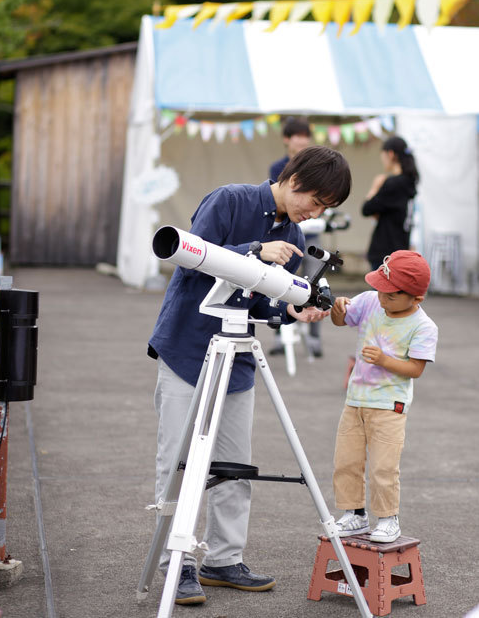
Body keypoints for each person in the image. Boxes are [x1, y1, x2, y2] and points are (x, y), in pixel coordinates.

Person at [148, 146, 351, 605]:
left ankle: (224, 559)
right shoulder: (230, 200)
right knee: (176, 464)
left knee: (234, 466)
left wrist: (290, 310)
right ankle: (174, 566)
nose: (315, 212)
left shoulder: (295, 235)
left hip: (237, 356)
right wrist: (254, 250)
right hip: (187, 346)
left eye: (324, 209)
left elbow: (260, 302)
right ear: (295, 179)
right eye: (316, 201)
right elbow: (191, 259)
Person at [330, 250, 438, 543]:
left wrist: (383, 359)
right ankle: (355, 514)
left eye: (391, 295)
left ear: (416, 298)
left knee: (383, 466)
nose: (382, 298)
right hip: (355, 400)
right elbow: (341, 321)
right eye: (380, 289)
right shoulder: (369, 301)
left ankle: (388, 519)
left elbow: (415, 369)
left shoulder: (423, 326)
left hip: (390, 406)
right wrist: (338, 310)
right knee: (346, 461)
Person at [269, 117, 323, 357]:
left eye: (305, 136)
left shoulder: (319, 167)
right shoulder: (277, 167)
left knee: (316, 282)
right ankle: (279, 334)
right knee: (278, 280)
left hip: (311, 235)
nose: (302, 141)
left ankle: (314, 338)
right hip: (284, 234)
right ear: (286, 140)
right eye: (297, 136)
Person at [362, 136, 419, 271]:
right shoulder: (410, 182)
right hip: (401, 249)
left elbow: (366, 209)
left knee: (379, 292)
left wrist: (375, 187)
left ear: (390, 154)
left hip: (385, 252)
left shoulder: (393, 183)